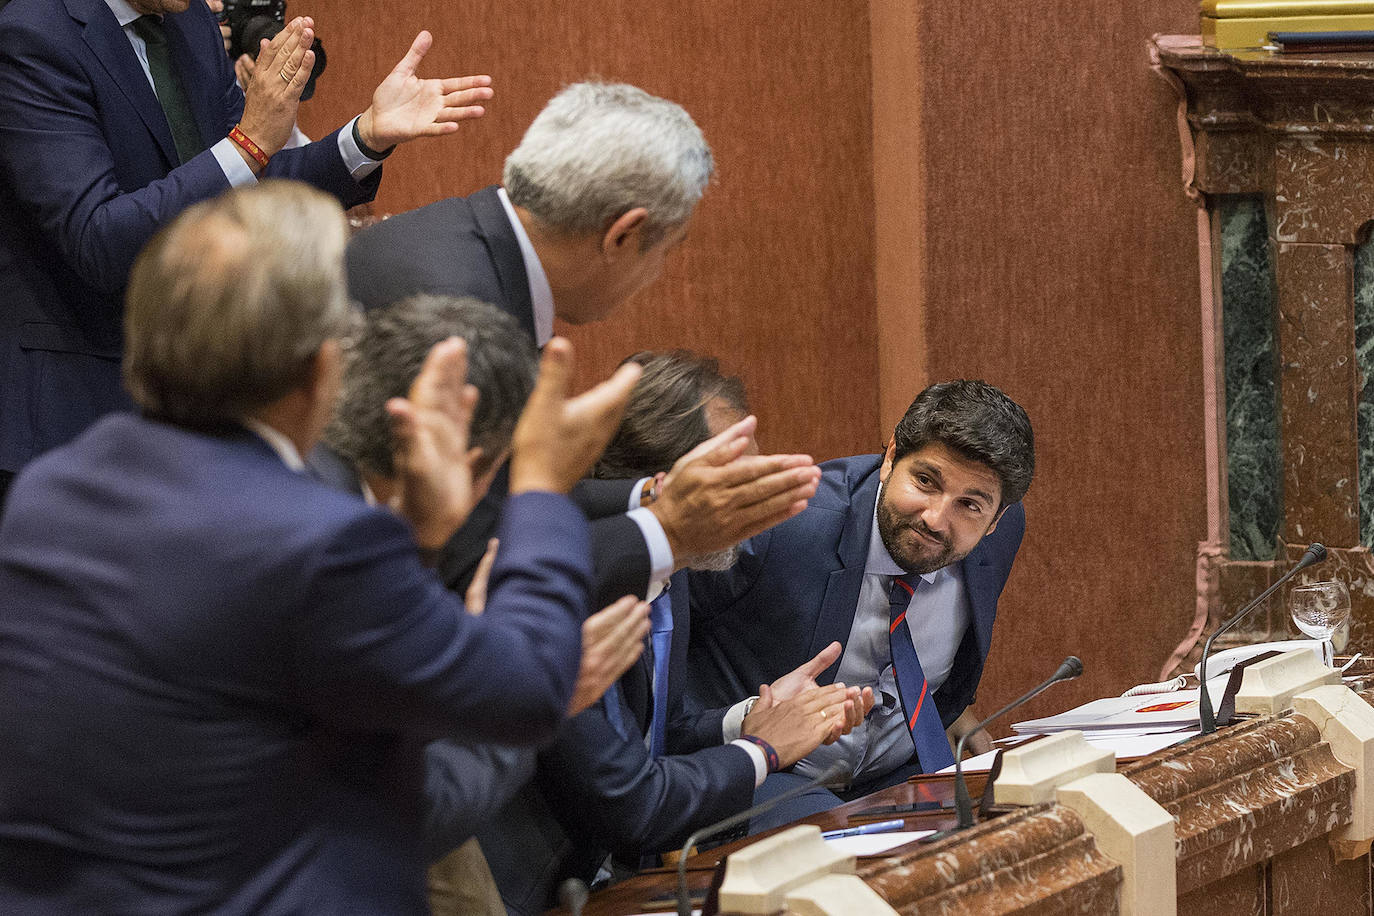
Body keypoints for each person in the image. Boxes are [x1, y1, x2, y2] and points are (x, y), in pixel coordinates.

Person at [0, 180, 643, 913]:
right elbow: (524, 695)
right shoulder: (317, 540)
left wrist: (417, 544)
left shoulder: (48, 492)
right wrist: (539, 485)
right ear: (320, 371)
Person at [0, 0, 494, 503]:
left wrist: (363, 137)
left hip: (201, 398)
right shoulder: (34, 34)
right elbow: (98, 238)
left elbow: (248, 179)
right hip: (76, 407)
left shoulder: (189, 24)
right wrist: (250, 141)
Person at [345, 81, 786, 606]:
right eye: (664, 252)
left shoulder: (456, 234)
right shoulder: (467, 325)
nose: (657, 274)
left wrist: (649, 495)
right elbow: (471, 572)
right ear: (622, 234)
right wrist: (671, 533)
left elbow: (512, 489)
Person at [474, 351, 874, 915]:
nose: (758, 502)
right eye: (735, 479)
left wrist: (748, 720)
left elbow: (659, 731)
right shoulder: (570, 587)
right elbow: (633, 806)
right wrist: (763, 750)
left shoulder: (678, 566)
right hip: (536, 891)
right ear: (662, 486)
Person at [686, 380, 1035, 828]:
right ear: (890, 458)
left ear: (995, 520)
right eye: (926, 481)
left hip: (900, 770)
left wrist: (951, 713)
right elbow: (661, 633)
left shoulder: (1000, 534)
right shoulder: (786, 526)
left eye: (969, 505)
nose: (935, 518)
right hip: (776, 774)